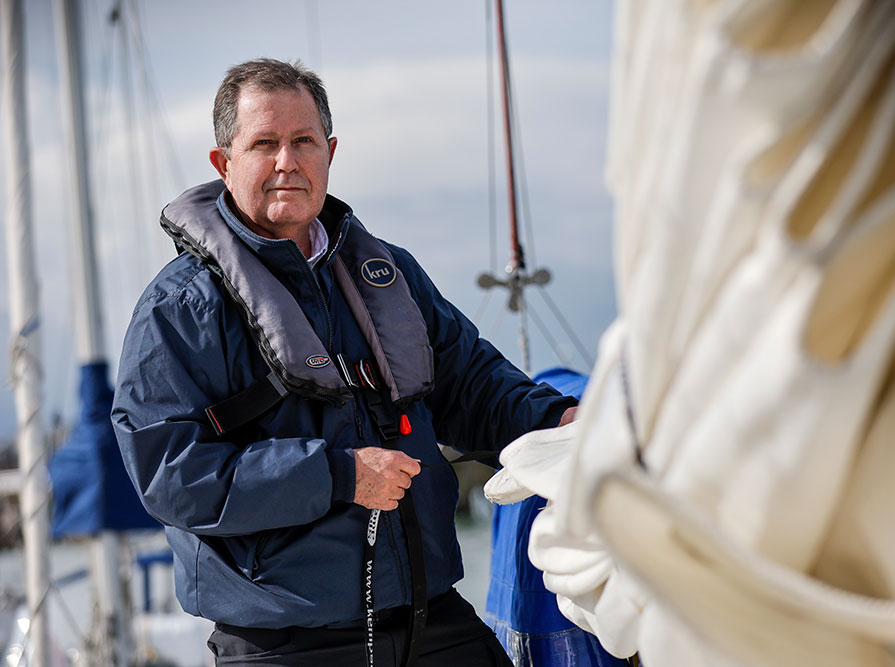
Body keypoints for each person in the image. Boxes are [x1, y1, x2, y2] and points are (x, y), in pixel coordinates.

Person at [112, 58, 577, 667]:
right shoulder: (178, 309)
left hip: (428, 618)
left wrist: (564, 422)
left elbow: (473, 387)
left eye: (303, 141)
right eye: (264, 144)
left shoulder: (390, 275)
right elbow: (168, 472)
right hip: (283, 643)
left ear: (329, 152)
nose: (287, 161)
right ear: (224, 163)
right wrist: (337, 475)